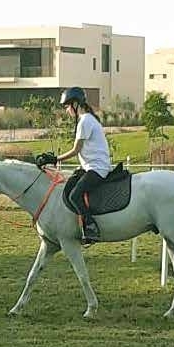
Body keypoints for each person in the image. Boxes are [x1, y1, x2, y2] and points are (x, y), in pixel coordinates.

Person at [51, 86, 112, 244]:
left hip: (96, 168)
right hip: (90, 167)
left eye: (67, 106)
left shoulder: (85, 121)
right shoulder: (88, 119)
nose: (67, 111)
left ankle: (91, 227)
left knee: (75, 195)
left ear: (76, 104)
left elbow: (76, 150)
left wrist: (55, 159)